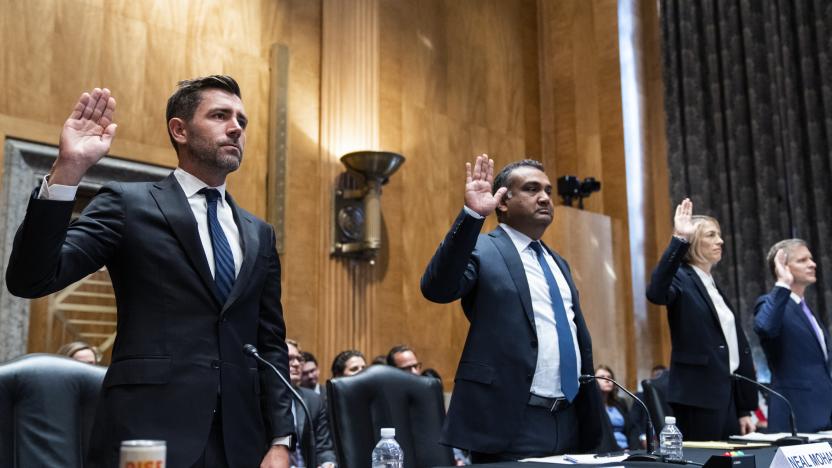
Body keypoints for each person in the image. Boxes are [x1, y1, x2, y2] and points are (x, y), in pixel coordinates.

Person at [5, 77, 293, 468]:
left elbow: (270, 343)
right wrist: (68, 169)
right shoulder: (128, 204)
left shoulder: (259, 233)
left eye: (241, 120)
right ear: (180, 130)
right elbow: (32, 278)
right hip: (148, 435)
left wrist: (281, 440)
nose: (236, 127)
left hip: (241, 444)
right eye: (220, 115)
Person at [421, 156, 608, 462]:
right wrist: (472, 216)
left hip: (569, 419)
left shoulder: (557, 262)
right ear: (503, 203)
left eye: (548, 190)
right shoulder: (482, 248)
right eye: (532, 189)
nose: (545, 197)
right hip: (509, 421)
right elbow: (436, 288)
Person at [646, 198, 757, 441]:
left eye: (719, 235)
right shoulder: (681, 277)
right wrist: (678, 240)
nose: (720, 241)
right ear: (694, 241)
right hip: (698, 396)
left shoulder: (713, 285)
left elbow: (731, 349)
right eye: (711, 235)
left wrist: (743, 408)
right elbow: (656, 292)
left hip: (726, 394)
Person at [753, 239, 832, 432]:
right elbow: (764, 327)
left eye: (811, 259)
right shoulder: (769, 303)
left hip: (823, 412)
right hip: (796, 415)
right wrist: (782, 284)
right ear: (783, 267)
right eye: (802, 260)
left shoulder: (807, 310)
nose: (812, 264)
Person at [287, 340, 337, 468]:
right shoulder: (260, 398)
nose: (297, 364)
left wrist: (328, 464)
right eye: (290, 359)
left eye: (299, 359)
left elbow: (324, 447)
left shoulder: (313, 399)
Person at [595, 365, 639, 450]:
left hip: (627, 450)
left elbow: (631, 429)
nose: (607, 380)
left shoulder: (620, 403)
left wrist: (635, 451)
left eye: (609, 377)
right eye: (601, 377)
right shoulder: (592, 407)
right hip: (606, 452)